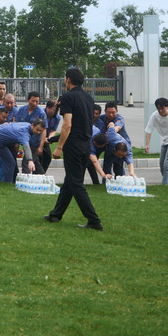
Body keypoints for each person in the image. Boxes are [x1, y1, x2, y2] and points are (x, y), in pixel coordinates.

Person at [45, 68, 103, 231]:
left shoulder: (68, 97)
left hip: (73, 145)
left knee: (76, 183)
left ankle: (94, 220)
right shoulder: (88, 98)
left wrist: (59, 147)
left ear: (68, 80)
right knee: (70, 181)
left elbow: (67, 125)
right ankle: (56, 214)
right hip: (86, 144)